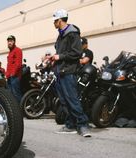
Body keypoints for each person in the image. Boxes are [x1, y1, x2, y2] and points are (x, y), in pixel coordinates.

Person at [52, 9, 91, 137]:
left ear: (60, 20)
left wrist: (60, 56)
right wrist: (54, 59)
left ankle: (83, 125)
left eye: (55, 21)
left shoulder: (72, 33)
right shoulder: (61, 34)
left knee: (72, 100)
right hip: (60, 71)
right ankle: (70, 125)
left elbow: (76, 53)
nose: (54, 23)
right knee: (64, 101)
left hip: (68, 72)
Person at [6, 35, 23, 102]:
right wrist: (7, 74)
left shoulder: (18, 50)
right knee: (10, 94)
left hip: (15, 76)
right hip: (9, 77)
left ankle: (21, 109)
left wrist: (12, 73)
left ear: (14, 42)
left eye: (11, 41)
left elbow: (18, 64)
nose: (9, 43)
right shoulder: (10, 52)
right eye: (8, 41)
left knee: (16, 94)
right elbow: (9, 64)